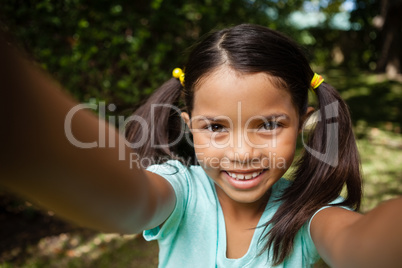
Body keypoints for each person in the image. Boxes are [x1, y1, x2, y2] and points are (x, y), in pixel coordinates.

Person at [0, 24, 401, 268]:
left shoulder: (311, 215)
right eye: (216, 128)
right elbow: (128, 200)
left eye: (268, 125)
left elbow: (360, 243)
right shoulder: (181, 191)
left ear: (303, 121)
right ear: (189, 128)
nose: (241, 153)